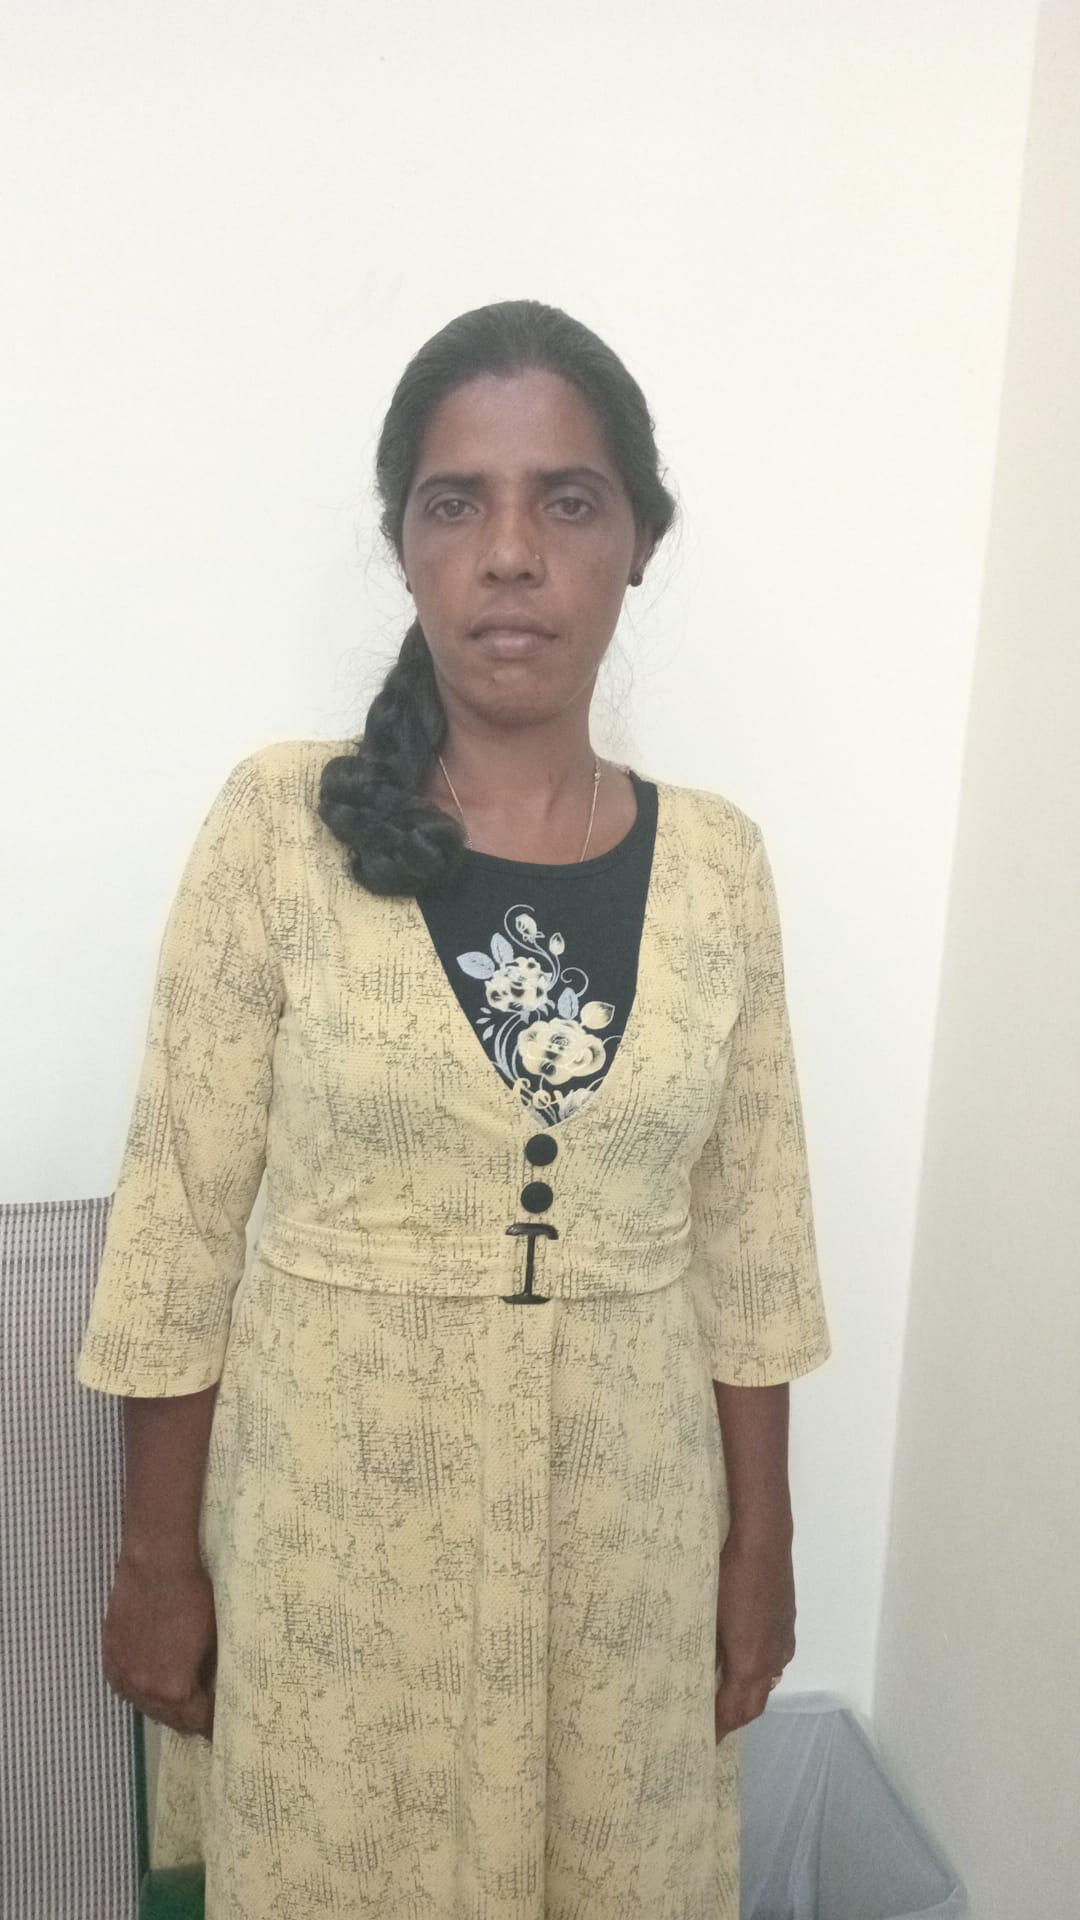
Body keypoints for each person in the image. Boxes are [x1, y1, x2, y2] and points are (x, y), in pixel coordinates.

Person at [78, 298, 830, 1919]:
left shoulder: (720, 867)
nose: (510, 553)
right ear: (404, 546)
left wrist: (760, 1552)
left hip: (628, 1554)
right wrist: (155, 1563)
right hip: (336, 1551)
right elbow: (177, 1230)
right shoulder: (279, 830)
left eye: (568, 501)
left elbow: (754, 1248)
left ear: (639, 543)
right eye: (455, 503)